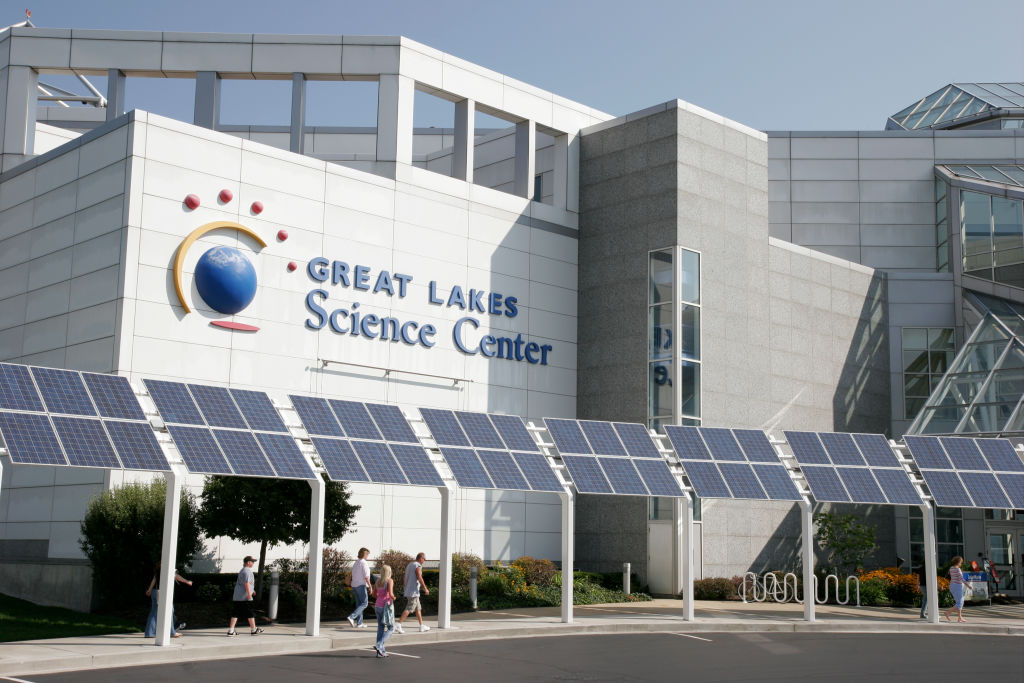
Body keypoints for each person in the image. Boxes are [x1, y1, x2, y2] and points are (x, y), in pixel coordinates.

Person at [144, 562, 192, 638]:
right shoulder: (168, 569)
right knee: (170, 611)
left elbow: (154, 579)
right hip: (161, 592)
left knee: (154, 612)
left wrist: (149, 589)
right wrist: (187, 581)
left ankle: (149, 633)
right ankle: (172, 632)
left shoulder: (159, 569)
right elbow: (177, 576)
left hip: (154, 591)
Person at [228, 555, 264, 636]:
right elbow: (246, 583)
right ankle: (254, 630)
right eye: (252, 562)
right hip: (245, 597)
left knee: (235, 613)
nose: (253, 563)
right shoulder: (247, 571)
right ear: (248, 562)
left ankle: (231, 630)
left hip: (238, 597)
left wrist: (252, 590)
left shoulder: (242, 571)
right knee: (250, 613)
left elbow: (243, 583)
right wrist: (249, 594)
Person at [394, 552, 430, 634]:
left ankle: (421, 626)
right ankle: (398, 624)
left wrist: (405, 586)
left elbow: (404, 577)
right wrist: (425, 588)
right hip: (413, 592)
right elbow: (419, 577)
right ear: (421, 558)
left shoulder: (410, 565)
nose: (424, 561)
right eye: (424, 559)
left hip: (410, 590)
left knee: (418, 608)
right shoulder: (418, 565)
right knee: (409, 608)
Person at [371, 564, 396, 657]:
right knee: (391, 627)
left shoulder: (377, 581)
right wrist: (394, 597)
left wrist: (380, 597)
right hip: (386, 607)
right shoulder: (389, 581)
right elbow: (391, 594)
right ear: (389, 572)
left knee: (381, 627)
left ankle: (381, 652)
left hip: (377, 606)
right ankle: (379, 644)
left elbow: (374, 594)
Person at [346, 547, 372, 629]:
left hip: (354, 585)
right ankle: (352, 617)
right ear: (365, 554)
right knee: (365, 603)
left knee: (359, 604)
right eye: (367, 554)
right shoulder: (364, 563)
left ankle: (359, 623)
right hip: (361, 585)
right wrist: (371, 587)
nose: (368, 556)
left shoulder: (356, 562)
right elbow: (366, 577)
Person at [942, 555, 967, 623]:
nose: (961, 564)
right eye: (961, 562)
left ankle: (959, 617)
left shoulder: (951, 568)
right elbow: (962, 579)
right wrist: (968, 586)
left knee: (959, 602)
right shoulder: (957, 569)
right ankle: (948, 612)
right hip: (957, 586)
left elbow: (950, 576)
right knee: (960, 602)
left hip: (952, 585)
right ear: (958, 562)